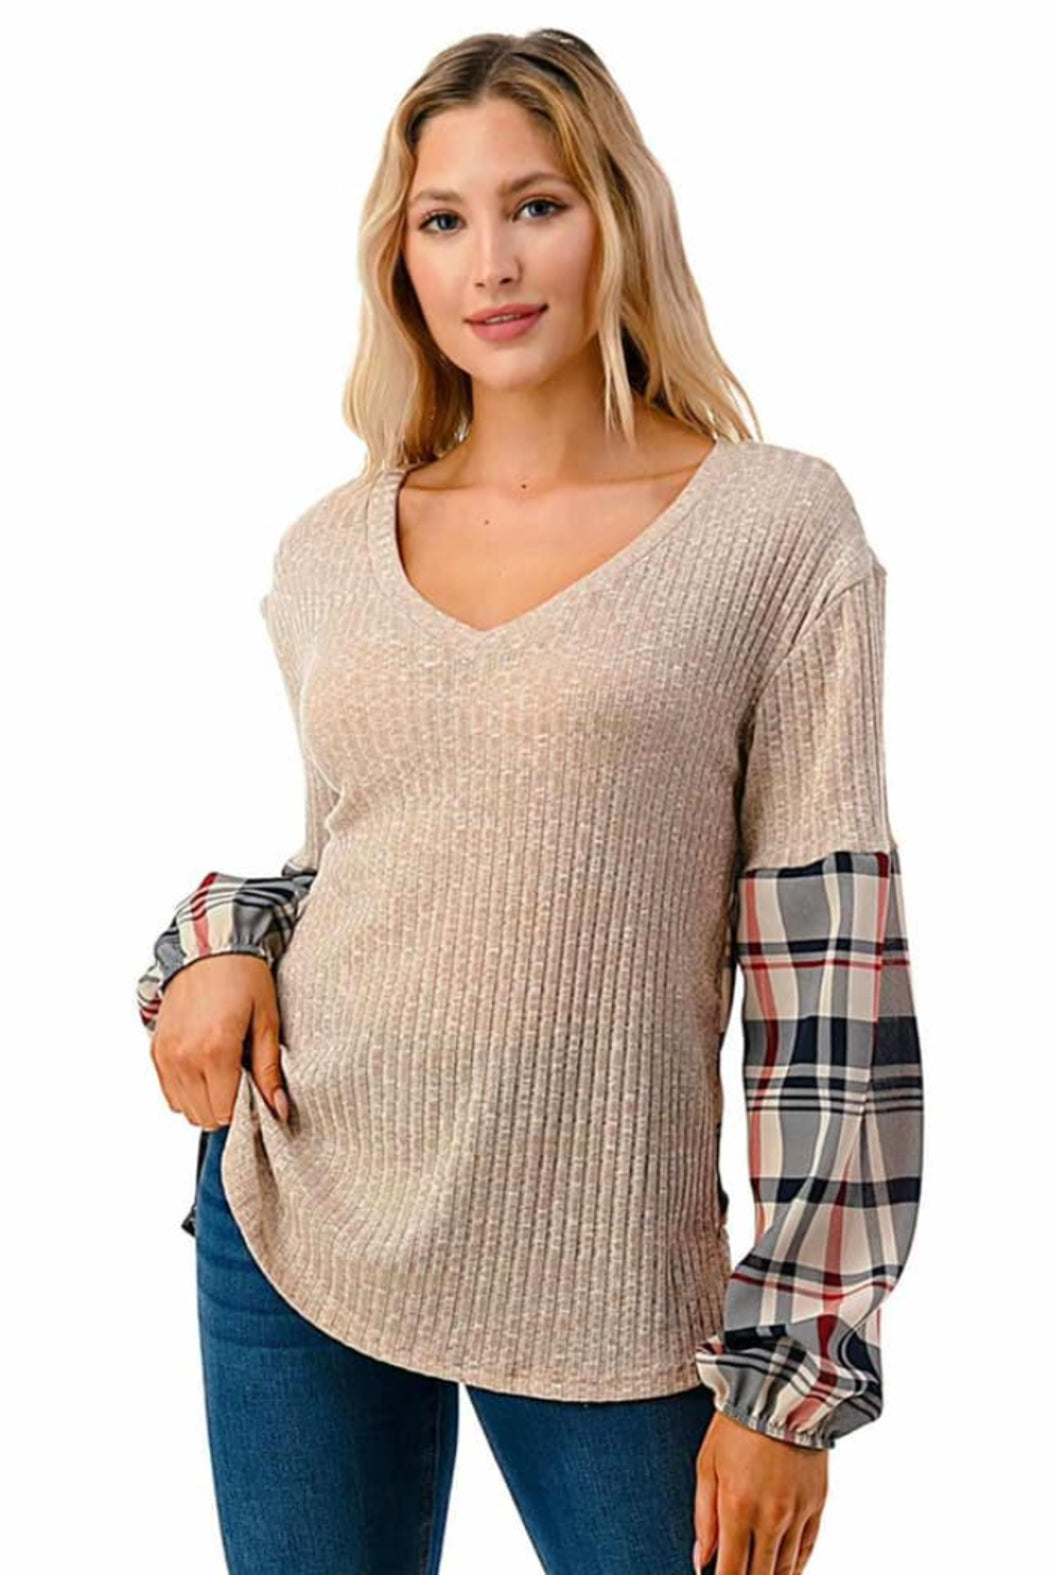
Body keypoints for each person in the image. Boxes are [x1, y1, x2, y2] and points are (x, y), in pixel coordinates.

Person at [136, 27, 924, 1575]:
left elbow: (830, 971)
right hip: (298, 1204)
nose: (489, 262)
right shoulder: (330, 548)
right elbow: (368, 856)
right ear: (401, 256)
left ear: (617, 220)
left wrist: (791, 1376)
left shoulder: (773, 529)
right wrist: (219, 942)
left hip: (605, 1272)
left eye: (536, 206)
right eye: (443, 218)